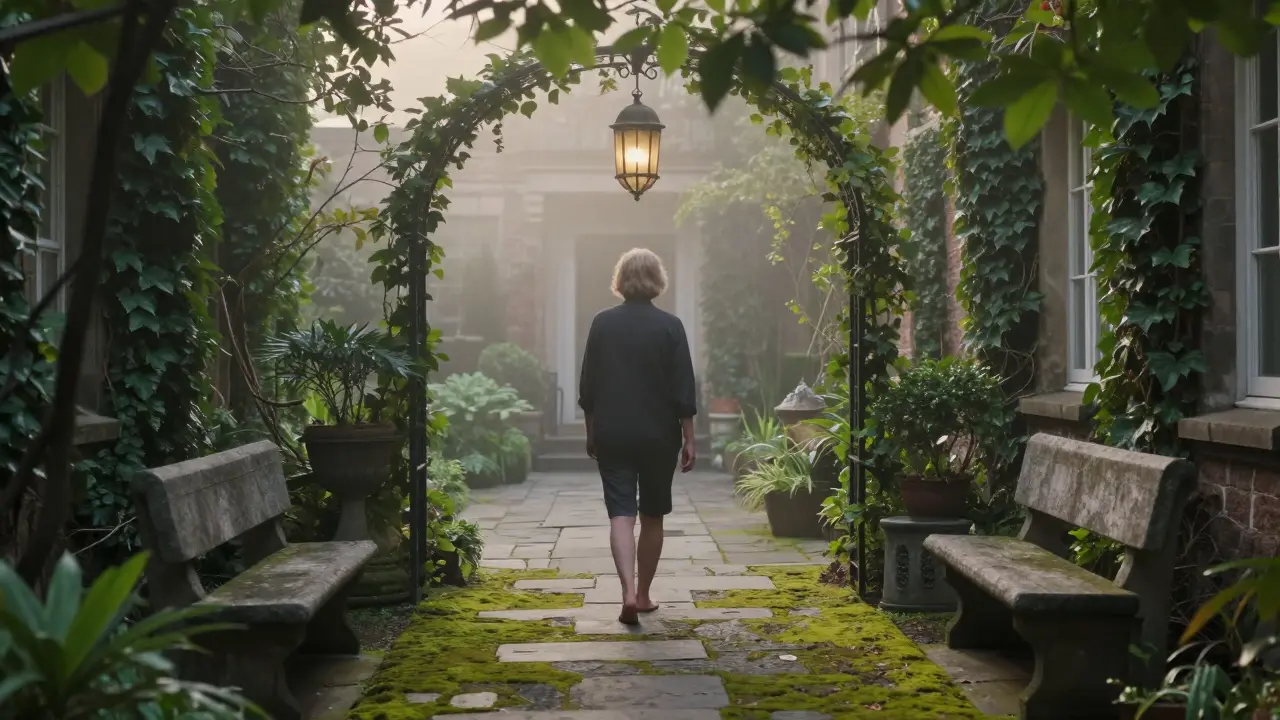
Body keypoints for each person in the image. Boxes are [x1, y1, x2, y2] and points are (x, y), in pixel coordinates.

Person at [578, 247, 697, 625]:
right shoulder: (671, 326)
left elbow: (589, 386)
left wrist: (591, 430)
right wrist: (689, 438)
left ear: (621, 279)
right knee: (653, 514)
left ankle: (625, 592)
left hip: (613, 430)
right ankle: (644, 595)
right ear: (657, 280)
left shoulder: (602, 322)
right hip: (659, 434)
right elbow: (683, 389)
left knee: (621, 514)